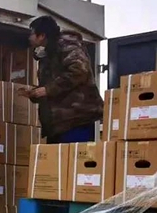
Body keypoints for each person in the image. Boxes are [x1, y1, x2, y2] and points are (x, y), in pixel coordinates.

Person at [22, 15, 103, 143]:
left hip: (76, 118)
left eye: (32, 34)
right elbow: (52, 85)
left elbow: (79, 70)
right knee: (57, 161)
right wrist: (35, 93)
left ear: (41, 35)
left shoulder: (67, 45)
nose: (29, 37)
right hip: (58, 123)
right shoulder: (47, 54)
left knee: (73, 160)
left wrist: (47, 90)